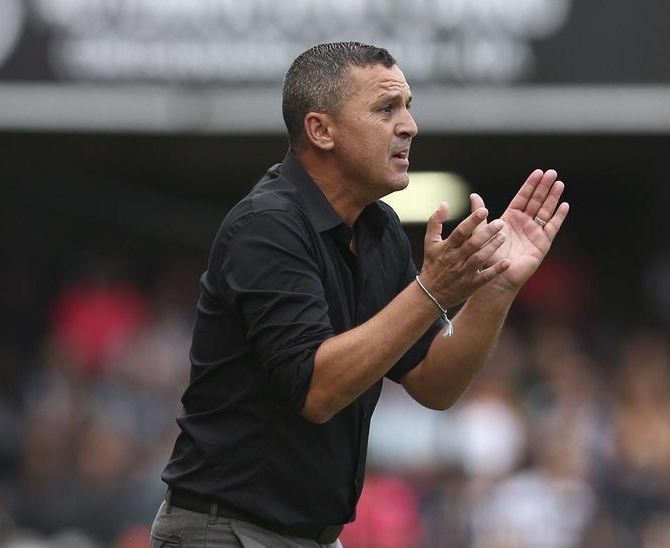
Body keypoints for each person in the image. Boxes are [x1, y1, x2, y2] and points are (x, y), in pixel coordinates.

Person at [151, 42, 570, 548]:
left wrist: (496, 286)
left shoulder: (378, 228)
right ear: (320, 130)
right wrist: (431, 289)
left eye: (408, 107)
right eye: (386, 108)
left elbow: (436, 384)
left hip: (312, 538)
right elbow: (316, 390)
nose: (409, 125)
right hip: (224, 533)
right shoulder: (267, 226)